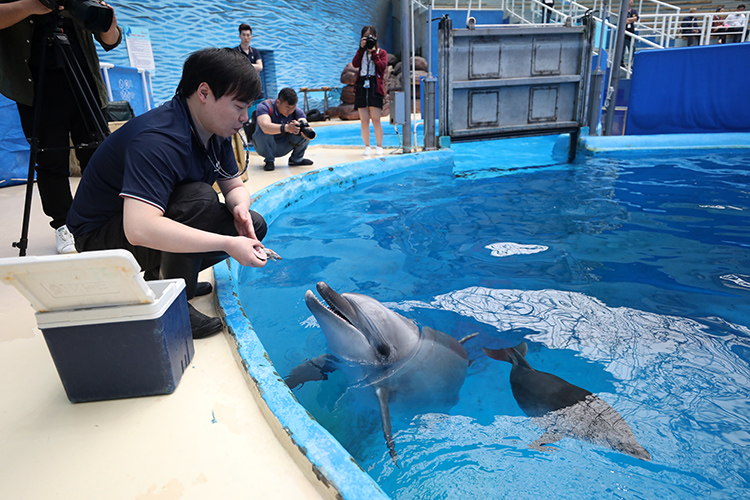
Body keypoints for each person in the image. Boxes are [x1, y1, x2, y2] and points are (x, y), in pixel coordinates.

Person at [66, 48, 268, 339]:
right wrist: (228, 243)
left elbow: (234, 186)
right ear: (204, 92)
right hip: (99, 240)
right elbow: (139, 228)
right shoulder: (158, 139)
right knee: (199, 200)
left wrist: (240, 209)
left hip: (140, 227)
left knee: (254, 226)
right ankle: (175, 303)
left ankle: (167, 276)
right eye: (238, 106)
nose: (244, 117)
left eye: (248, 107)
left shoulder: (215, 131)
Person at [0, 0, 121, 254]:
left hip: (83, 77)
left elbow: (111, 40)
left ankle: (103, 219)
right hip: (37, 82)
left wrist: (106, 20)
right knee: (50, 158)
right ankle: (65, 225)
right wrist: (32, 6)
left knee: (99, 152)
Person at [252, 87, 315, 171]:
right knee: (263, 129)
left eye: (293, 107)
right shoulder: (265, 106)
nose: (290, 110)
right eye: (287, 107)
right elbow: (265, 127)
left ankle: (296, 160)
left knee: (303, 130)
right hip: (264, 146)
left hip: (283, 145)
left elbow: (304, 123)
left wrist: (305, 129)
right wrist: (286, 128)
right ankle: (269, 161)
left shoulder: (296, 111)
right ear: (278, 102)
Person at [352, 25, 387, 157]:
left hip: (374, 84)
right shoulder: (361, 52)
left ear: (376, 37)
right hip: (362, 84)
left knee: (376, 118)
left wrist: (373, 53)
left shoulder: (381, 53)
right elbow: (355, 64)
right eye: (365, 38)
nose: (368, 41)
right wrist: (361, 49)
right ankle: (367, 146)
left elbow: (382, 68)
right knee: (364, 119)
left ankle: (379, 146)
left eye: (370, 37)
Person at [233, 23, 263, 99]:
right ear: (240, 36)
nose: (246, 37)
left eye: (248, 35)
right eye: (243, 35)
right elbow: (235, 69)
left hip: (255, 87)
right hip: (241, 88)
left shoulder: (255, 51)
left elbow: (260, 67)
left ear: (251, 37)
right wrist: (254, 67)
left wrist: (244, 65)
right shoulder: (235, 52)